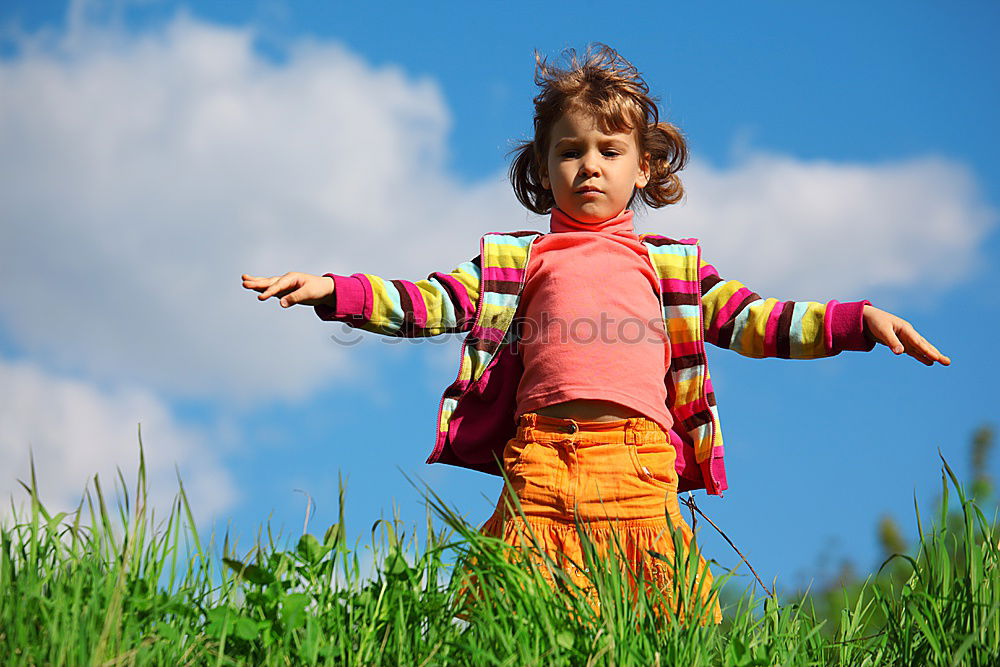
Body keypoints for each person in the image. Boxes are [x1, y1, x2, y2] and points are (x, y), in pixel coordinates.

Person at [242, 44, 949, 622]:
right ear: (543, 171)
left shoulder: (670, 267)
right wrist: (335, 291)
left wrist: (860, 322)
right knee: (520, 614)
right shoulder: (515, 262)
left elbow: (758, 320)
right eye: (569, 151)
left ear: (644, 166)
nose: (589, 165)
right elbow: (425, 301)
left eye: (609, 150)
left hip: (641, 468)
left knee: (661, 618)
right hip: (542, 465)